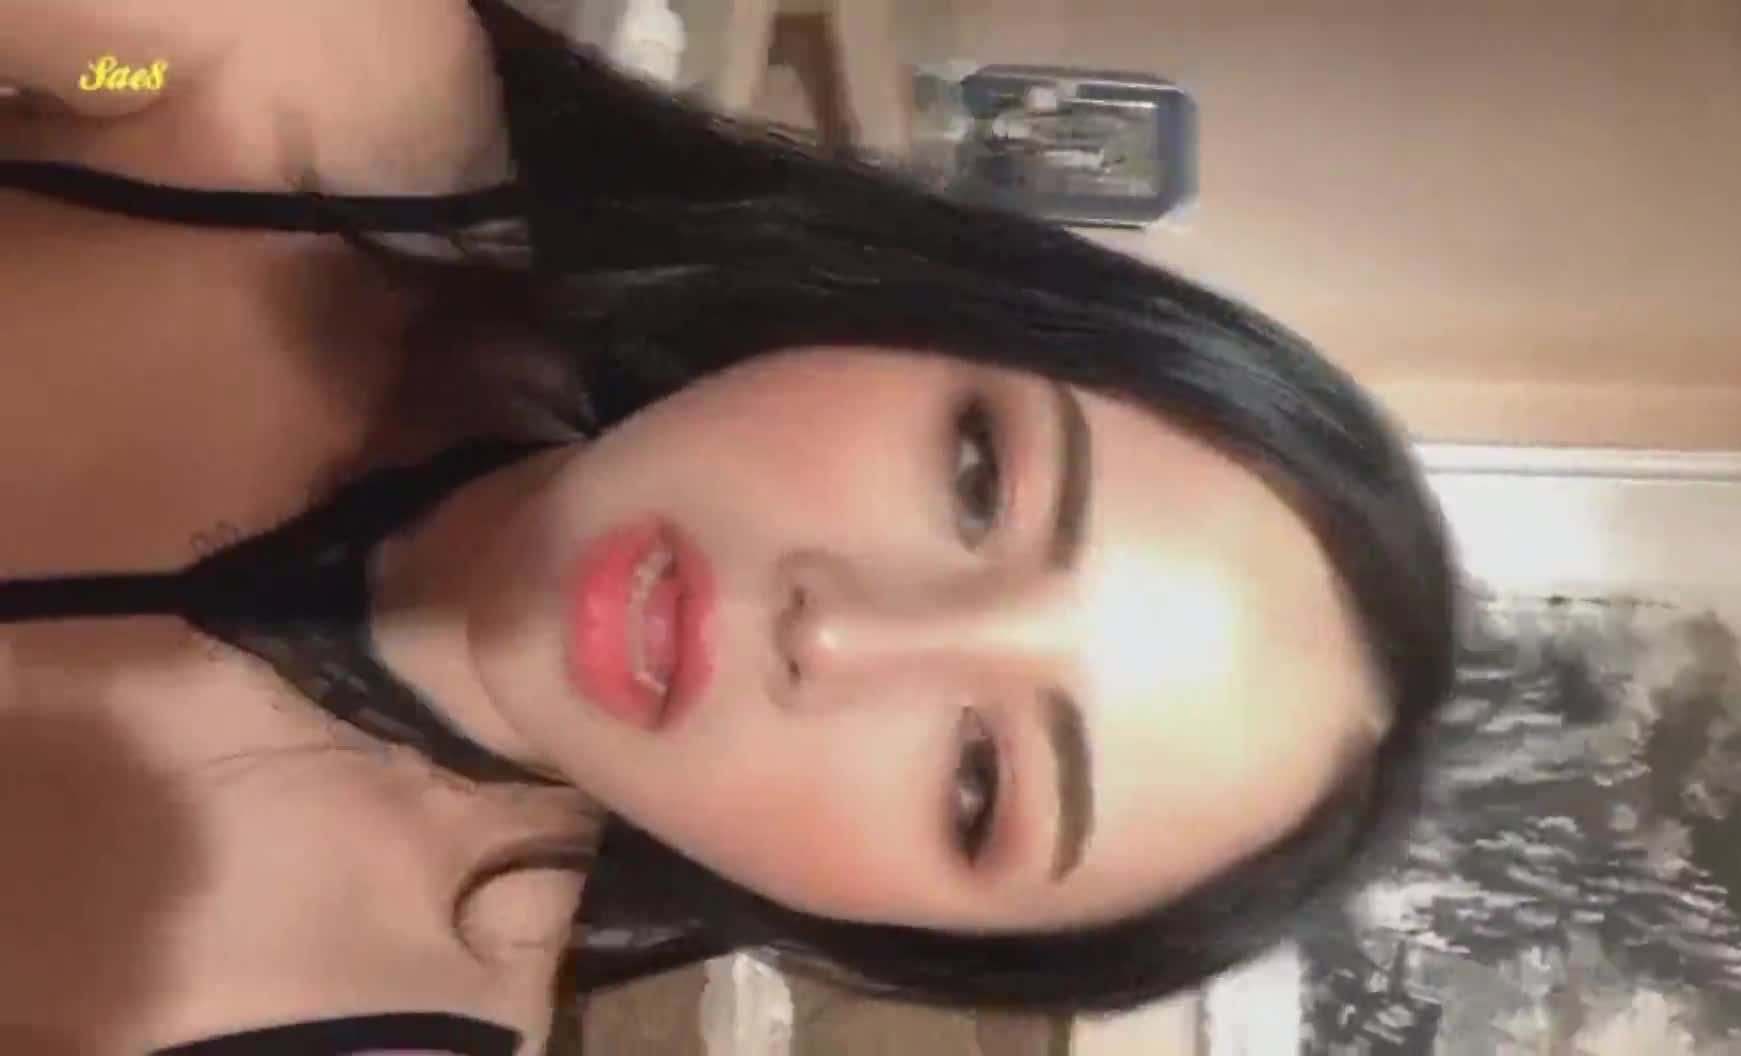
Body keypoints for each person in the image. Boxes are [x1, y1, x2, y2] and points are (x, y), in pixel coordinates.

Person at [0, 1, 1457, 1052]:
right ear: (930, 322)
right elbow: (108, 51)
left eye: (976, 785)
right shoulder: (303, 91)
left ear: (884, 931)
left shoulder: (334, 1023)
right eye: (977, 478)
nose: (839, 630)